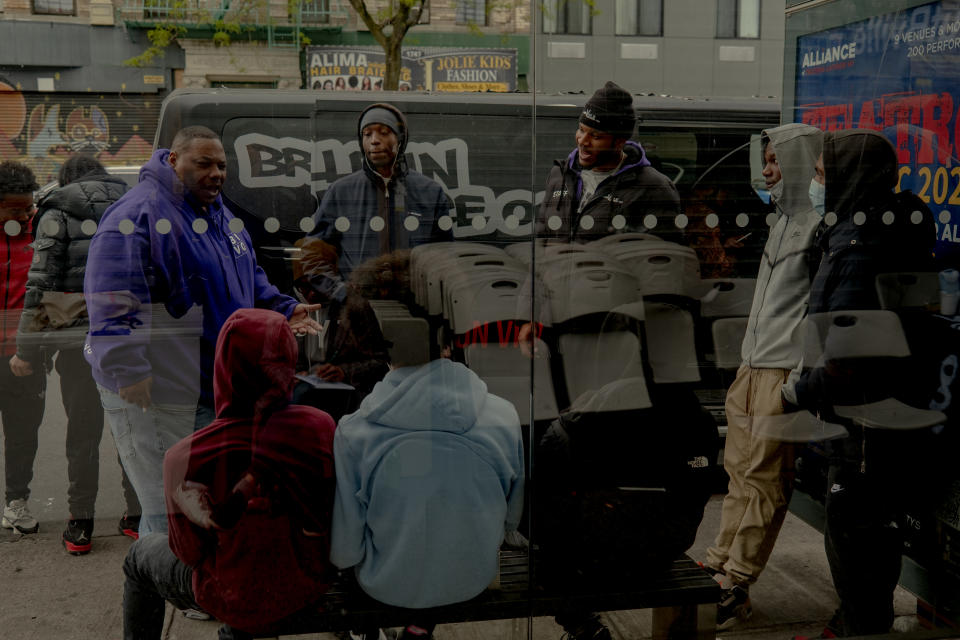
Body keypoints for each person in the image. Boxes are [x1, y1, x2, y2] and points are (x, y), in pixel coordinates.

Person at [84, 125, 321, 537]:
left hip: (203, 384)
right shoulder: (137, 216)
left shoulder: (216, 211)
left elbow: (248, 272)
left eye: (222, 165)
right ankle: (158, 587)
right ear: (173, 160)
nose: (216, 173)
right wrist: (129, 372)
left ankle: (194, 585)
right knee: (166, 510)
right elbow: (111, 300)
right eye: (204, 163)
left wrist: (285, 307)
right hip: (155, 391)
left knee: (197, 502)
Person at [793, 129, 937, 637]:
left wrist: (802, 389)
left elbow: (847, 348)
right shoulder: (864, 229)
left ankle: (860, 624)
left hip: (865, 420)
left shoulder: (863, 242)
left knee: (855, 534)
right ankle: (858, 618)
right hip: (875, 413)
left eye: (820, 174)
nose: (815, 184)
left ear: (849, 177)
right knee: (865, 533)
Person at [121, 308, 337, 640]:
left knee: (139, 556)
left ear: (223, 367)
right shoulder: (319, 427)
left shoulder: (185, 456)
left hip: (229, 593)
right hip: (305, 582)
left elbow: (189, 553)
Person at [330, 279, 525, 640]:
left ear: (374, 341)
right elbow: (512, 521)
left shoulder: (354, 434)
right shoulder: (504, 415)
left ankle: (366, 632)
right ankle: (418, 628)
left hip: (386, 584)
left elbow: (345, 551)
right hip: (473, 578)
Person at [700, 123, 824, 629]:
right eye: (765, 160)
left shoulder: (819, 227)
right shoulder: (781, 223)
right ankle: (720, 562)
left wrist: (796, 379)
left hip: (778, 372)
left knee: (764, 478)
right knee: (738, 473)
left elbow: (818, 311)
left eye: (775, 161)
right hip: (751, 368)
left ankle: (738, 578)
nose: (766, 171)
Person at [12, 154, 142, 553]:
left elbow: (41, 283)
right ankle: (137, 515)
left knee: (82, 431)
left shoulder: (57, 208)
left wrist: (27, 350)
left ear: (67, 178)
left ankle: (81, 522)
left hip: (76, 342)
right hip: (129, 336)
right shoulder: (136, 202)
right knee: (131, 429)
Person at [308, 102, 453, 277]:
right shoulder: (340, 192)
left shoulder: (430, 192)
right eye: (367, 134)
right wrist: (342, 295)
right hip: (359, 301)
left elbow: (444, 258)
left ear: (400, 140)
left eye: (384, 133)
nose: (374, 140)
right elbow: (313, 256)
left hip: (413, 302)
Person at [535, 80, 680, 243]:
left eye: (595, 136)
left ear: (619, 141)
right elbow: (541, 242)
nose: (583, 141)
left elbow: (664, 259)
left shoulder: (653, 188)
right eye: (581, 130)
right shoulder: (560, 174)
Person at [0, 161, 45, 535]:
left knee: (22, 435)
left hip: (25, 358)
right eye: (16, 210)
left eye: (29, 208)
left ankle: (16, 502)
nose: (26, 215)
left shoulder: (43, 234)